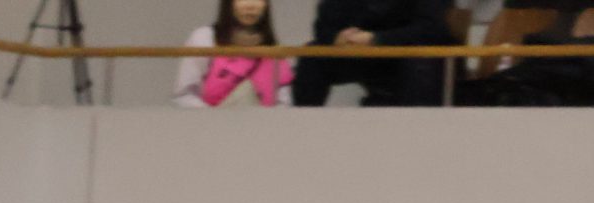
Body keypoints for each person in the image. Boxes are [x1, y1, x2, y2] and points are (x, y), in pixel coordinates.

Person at [294, 0, 453, 109]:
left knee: (422, 63)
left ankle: (418, 133)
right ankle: (301, 127)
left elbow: (432, 29)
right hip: (364, 53)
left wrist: (376, 39)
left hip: (409, 53)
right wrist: (338, 38)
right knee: (312, 55)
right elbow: (323, 25)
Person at [177, 0, 293, 108]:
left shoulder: (273, 50)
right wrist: (214, 118)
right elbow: (185, 95)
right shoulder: (205, 38)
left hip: (263, 122)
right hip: (209, 121)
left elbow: (283, 102)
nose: (250, 5)